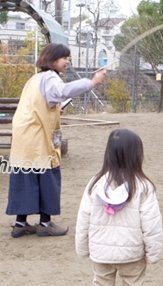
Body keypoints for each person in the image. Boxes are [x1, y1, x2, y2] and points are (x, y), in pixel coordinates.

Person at [75, 129, 163, 286]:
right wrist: (153, 253)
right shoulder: (143, 186)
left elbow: (83, 218)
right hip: (132, 254)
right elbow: (152, 224)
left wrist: (83, 248)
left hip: (101, 254)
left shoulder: (95, 185)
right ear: (137, 155)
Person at [7, 43, 107, 238]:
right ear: (52, 59)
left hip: (24, 137)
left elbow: (42, 103)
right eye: (64, 58)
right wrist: (92, 82)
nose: (68, 62)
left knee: (25, 178)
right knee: (47, 177)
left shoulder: (35, 79)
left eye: (68, 58)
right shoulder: (50, 78)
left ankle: (20, 223)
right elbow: (62, 91)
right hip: (39, 137)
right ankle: (45, 223)